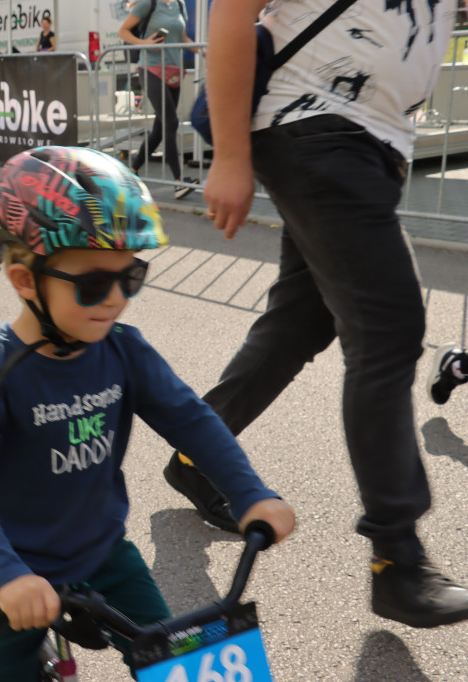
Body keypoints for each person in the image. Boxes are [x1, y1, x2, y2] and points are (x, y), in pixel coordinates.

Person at [0, 146, 296, 682]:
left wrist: (249, 492)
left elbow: (192, 420)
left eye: (130, 277)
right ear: (26, 282)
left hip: (104, 556)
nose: (117, 299)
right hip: (15, 571)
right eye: (95, 283)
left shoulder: (124, 351)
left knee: (179, 666)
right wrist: (3, 574)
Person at [174, 0, 468, 629]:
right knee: (389, 327)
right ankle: (398, 558)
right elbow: (231, 9)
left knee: (300, 322)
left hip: (366, 140)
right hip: (316, 124)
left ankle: (198, 453)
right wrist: (228, 154)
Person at [118, 0, 199, 200]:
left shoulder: (179, 5)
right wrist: (145, 43)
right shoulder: (148, 3)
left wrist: (204, 51)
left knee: (160, 129)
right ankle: (178, 181)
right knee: (171, 122)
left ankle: (132, 170)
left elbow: (183, 38)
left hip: (173, 71)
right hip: (151, 69)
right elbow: (124, 31)